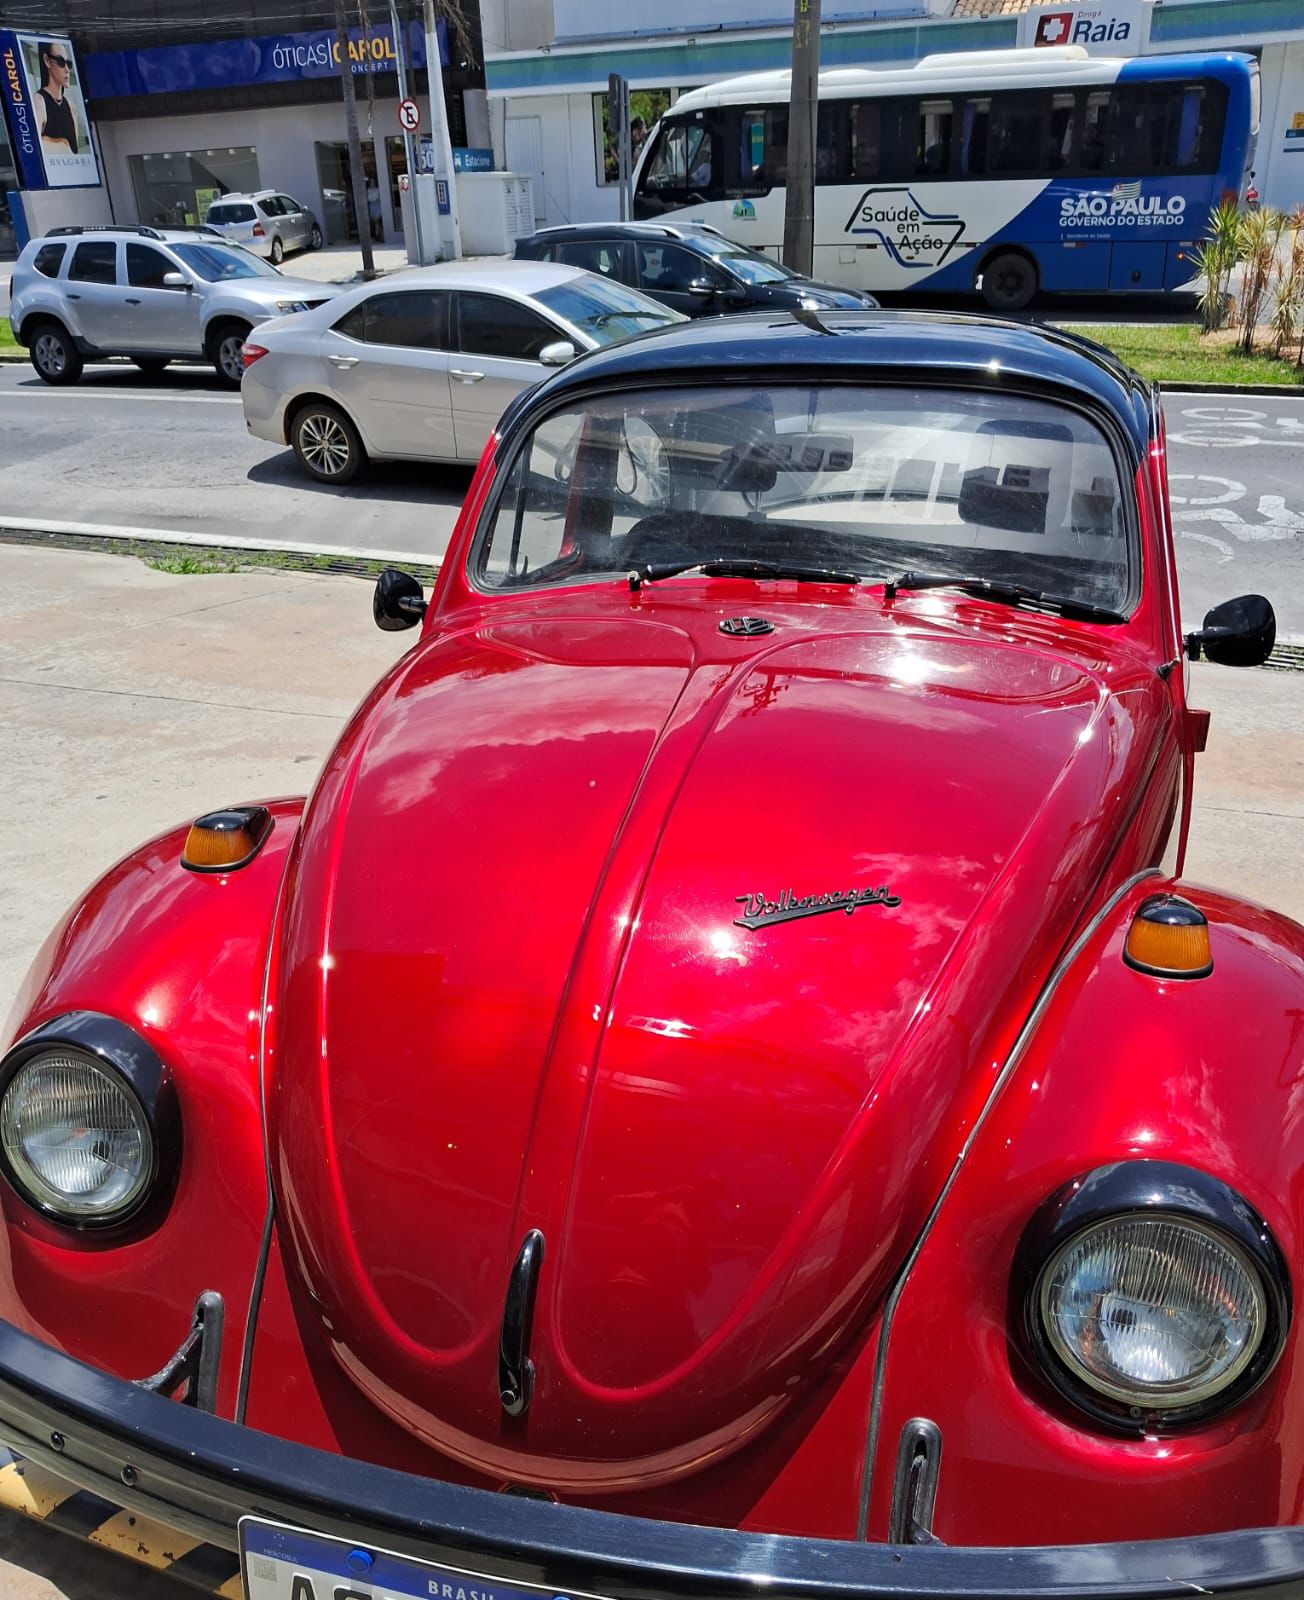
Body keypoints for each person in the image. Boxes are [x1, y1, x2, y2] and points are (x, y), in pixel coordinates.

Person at [34, 41, 78, 154]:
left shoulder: (71, 107)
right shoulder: (39, 101)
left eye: (68, 63)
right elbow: (34, 145)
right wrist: (62, 146)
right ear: (47, 61)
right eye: (61, 62)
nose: (67, 70)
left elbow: (75, 151)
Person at [366, 178, 383, 242]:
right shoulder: (368, 190)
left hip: (377, 205)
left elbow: (380, 197)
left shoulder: (378, 189)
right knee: (375, 222)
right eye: (371, 182)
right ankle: (377, 235)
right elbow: (367, 198)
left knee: (377, 221)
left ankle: (378, 235)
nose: (372, 183)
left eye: (373, 182)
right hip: (372, 206)